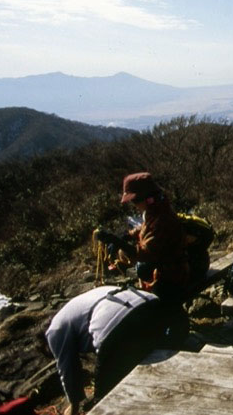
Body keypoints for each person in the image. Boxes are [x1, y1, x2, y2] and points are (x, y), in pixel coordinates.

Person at [45, 285, 168, 415]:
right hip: (149, 303)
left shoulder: (54, 331)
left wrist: (74, 407)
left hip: (115, 319)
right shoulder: (74, 308)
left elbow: (68, 369)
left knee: (104, 400)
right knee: (149, 362)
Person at [96, 172, 189, 303]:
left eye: (135, 200)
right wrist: (127, 235)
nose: (134, 204)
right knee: (141, 268)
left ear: (148, 199)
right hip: (167, 270)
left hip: (171, 277)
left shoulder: (162, 219)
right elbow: (146, 228)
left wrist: (118, 242)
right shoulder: (157, 210)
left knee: (142, 268)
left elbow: (145, 253)